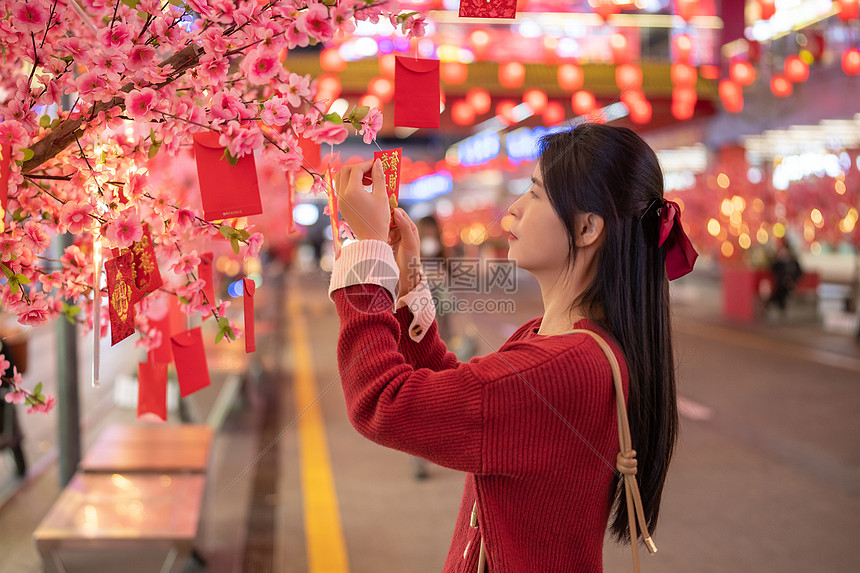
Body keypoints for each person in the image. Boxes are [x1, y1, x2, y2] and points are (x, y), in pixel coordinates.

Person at [328, 124, 697, 572]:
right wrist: (408, 278)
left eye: (536, 193)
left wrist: (365, 255)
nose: (513, 210)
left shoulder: (562, 366)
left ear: (586, 228)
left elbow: (382, 401)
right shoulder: (557, 339)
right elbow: (463, 391)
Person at [766, 238, 802, 318]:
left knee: (782, 287)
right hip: (782, 284)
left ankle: (773, 302)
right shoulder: (778, 263)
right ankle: (779, 305)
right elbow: (773, 270)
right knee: (781, 286)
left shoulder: (794, 263)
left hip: (791, 283)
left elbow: (799, 273)